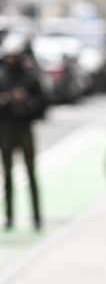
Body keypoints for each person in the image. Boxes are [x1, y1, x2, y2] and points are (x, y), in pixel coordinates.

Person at [0, 33, 47, 230]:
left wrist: (26, 100)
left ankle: (36, 217)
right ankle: (9, 217)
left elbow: (43, 105)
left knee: (31, 173)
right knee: (7, 175)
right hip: (6, 129)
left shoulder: (29, 77)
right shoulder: (2, 77)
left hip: (24, 128)